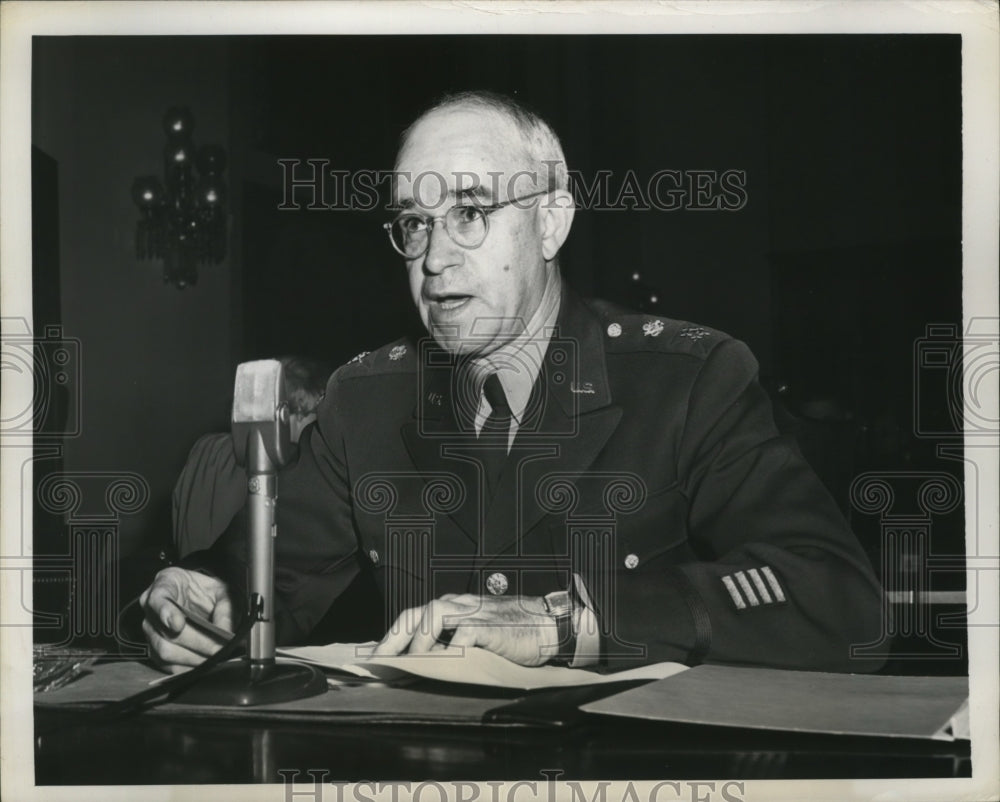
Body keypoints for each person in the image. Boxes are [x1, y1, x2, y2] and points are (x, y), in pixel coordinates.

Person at [140, 90, 884, 674]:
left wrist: (570, 624)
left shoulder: (690, 379)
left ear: (552, 222)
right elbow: (259, 575)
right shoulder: (364, 401)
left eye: (470, 211)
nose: (434, 260)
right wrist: (200, 600)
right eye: (415, 223)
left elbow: (840, 603)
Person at [171, 355, 331, 557]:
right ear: (301, 404)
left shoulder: (205, 448)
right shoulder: (288, 461)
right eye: (319, 415)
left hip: (188, 579)